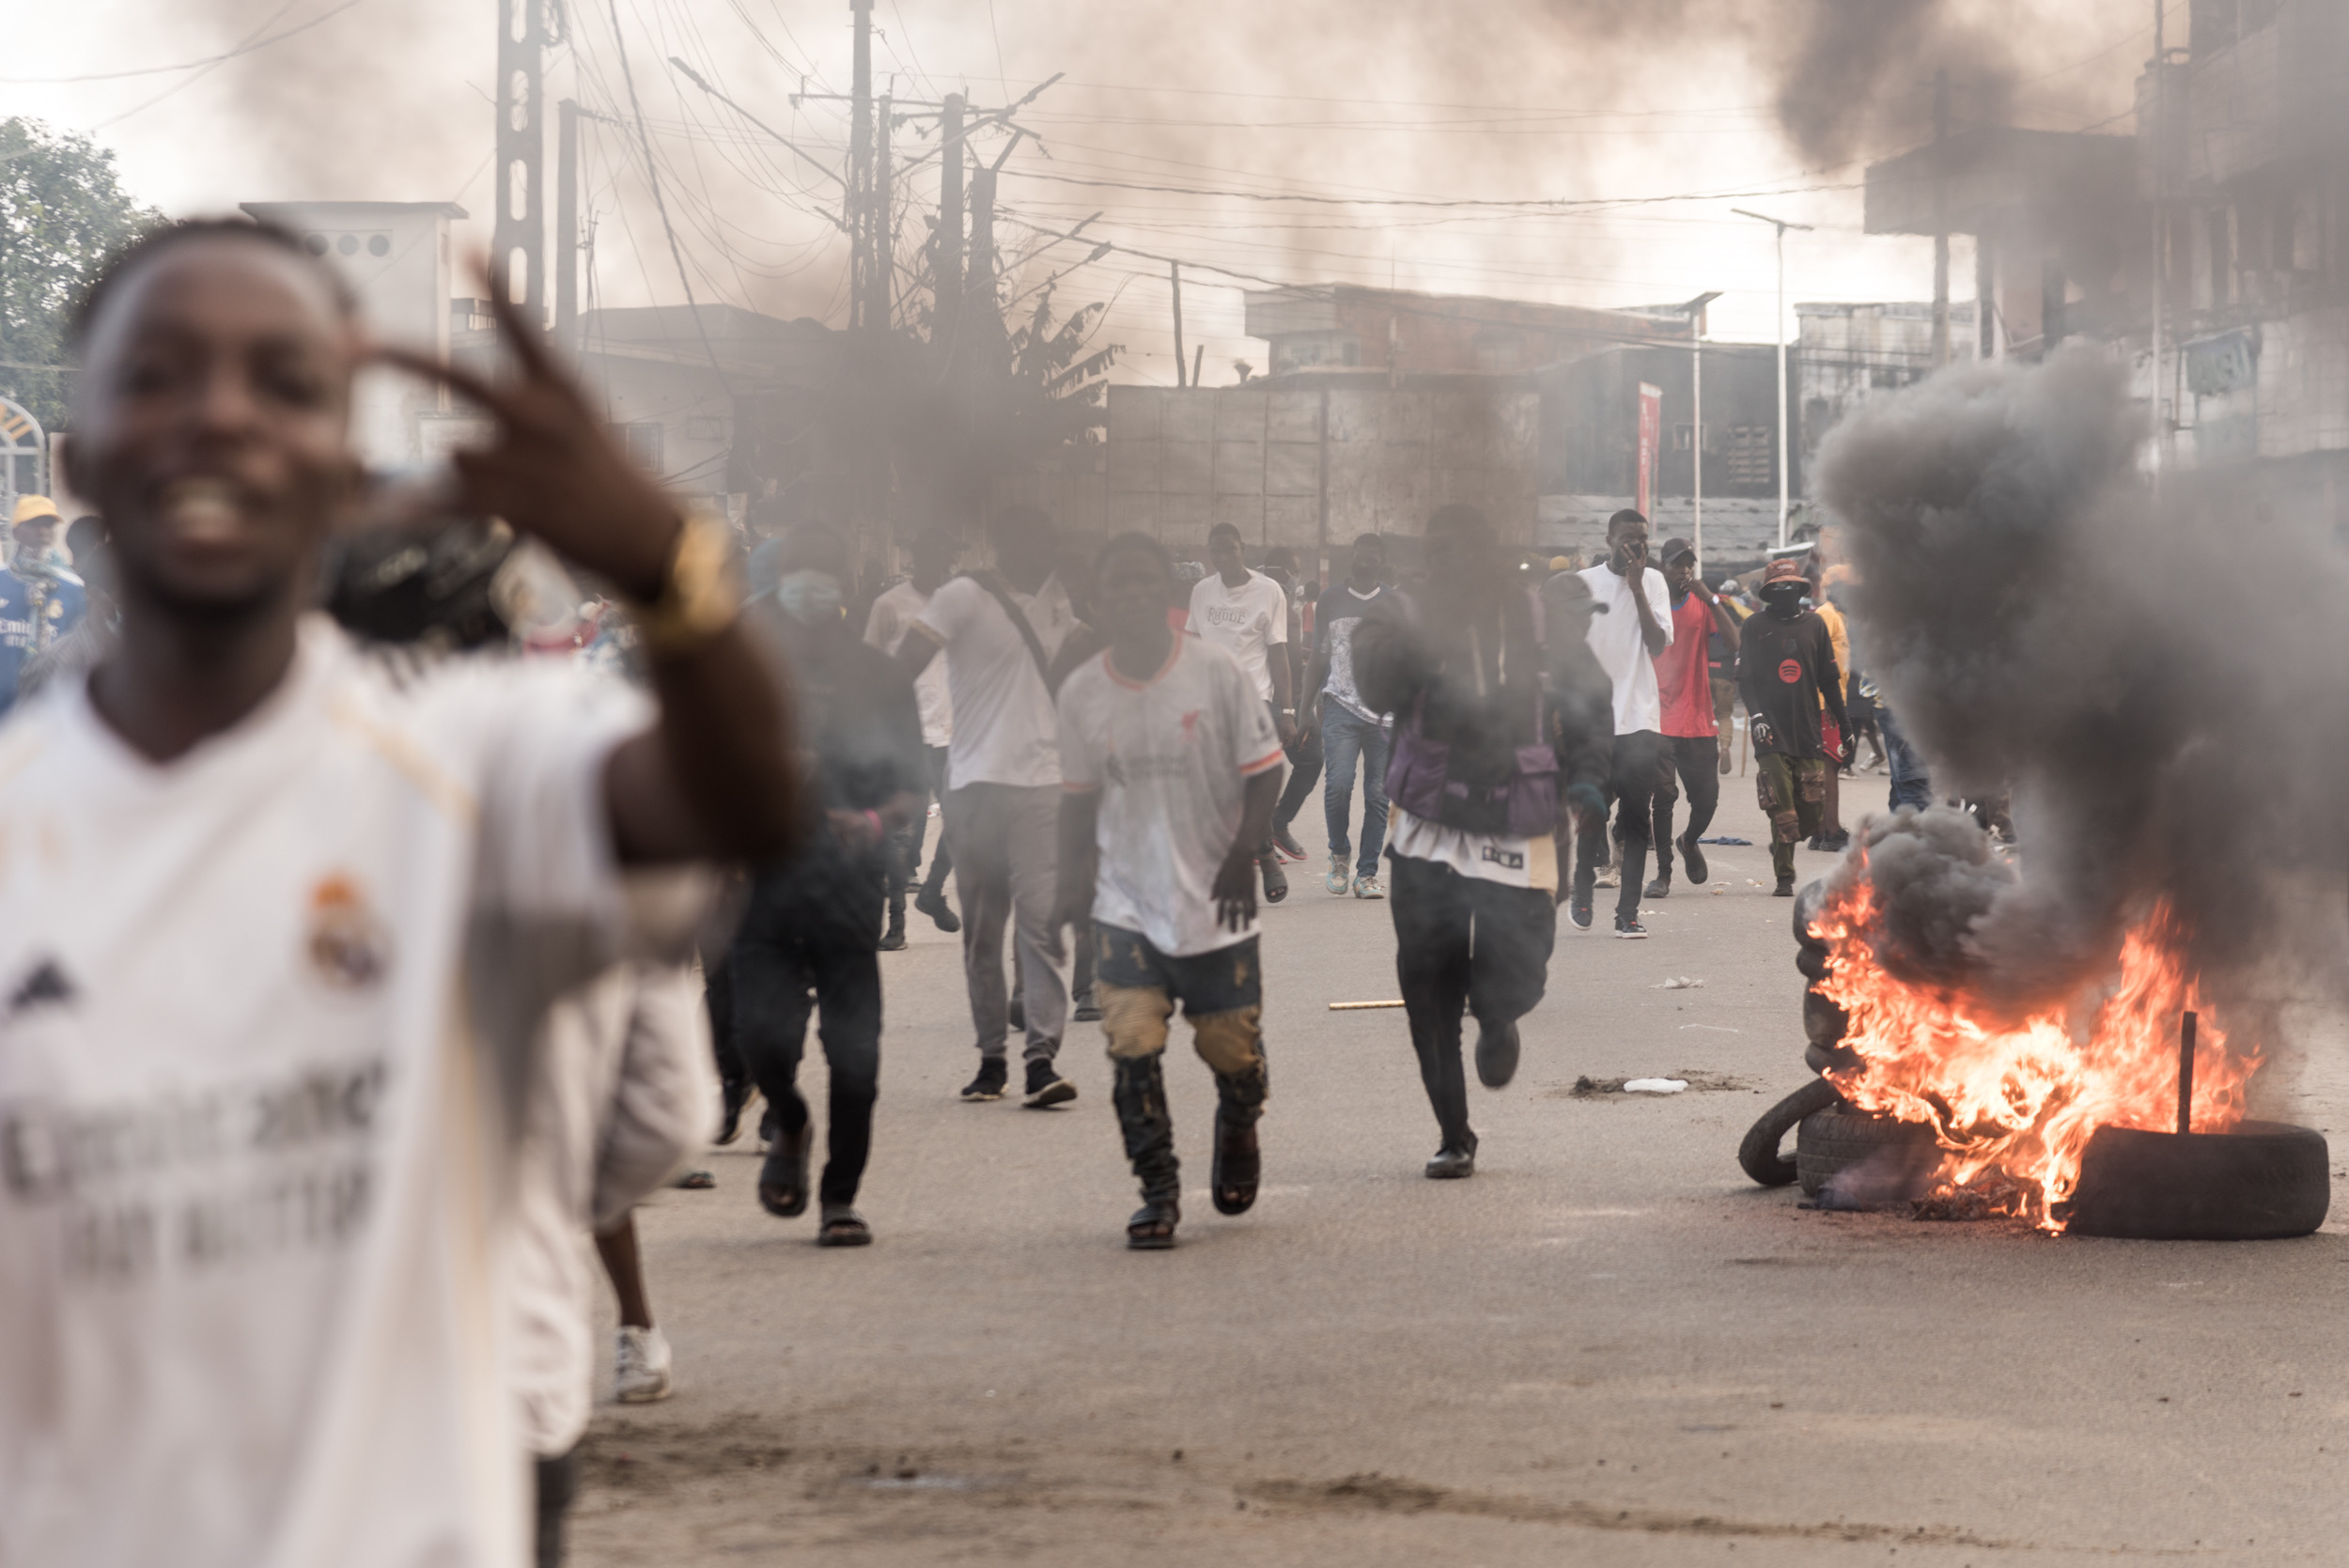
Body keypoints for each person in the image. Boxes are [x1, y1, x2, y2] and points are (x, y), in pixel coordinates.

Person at [0, 219, 797, 1568]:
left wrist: (671, 570)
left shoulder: (475, 763)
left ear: (347, 470)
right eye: (157, 376)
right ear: (75, 464)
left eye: (285, 384)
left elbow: (743, 806)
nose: (218, 418)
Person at [1054, 533, 1283, 1250]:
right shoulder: (1082, 691)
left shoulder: (1217, 673)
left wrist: (1245, 852)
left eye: (1143, 582)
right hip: (1125, 903)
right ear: (1097, 599)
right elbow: (1077, 802)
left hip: (1217, 902)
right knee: (1130, 1046)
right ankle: (1157, 1189)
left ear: (1167, 596)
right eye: (1115, 584)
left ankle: (1239, 1123)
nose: (1130, 595)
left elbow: (1265, 771)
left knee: (1231, 1051)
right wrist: (1074, 890)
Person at [1357, 505, 1593, 1180]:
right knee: (1426, 984)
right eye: (1439, 553)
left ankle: (1498, 1013)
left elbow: (1586, 701)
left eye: (1466, 552)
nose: (1452, 565)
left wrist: (1593, 779)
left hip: (1519, 816)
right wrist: (1426, 634)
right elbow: (1373, 685)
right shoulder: (1401, 614)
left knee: (1516, 969)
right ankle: (1454, 1133)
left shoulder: (1541, 619)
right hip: (1429, 824)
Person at [726, 523, 924, 1243]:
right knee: (761, 1039)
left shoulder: (879, 675)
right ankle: (793, 1121)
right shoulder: (740, 665)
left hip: (846, 887)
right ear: (780, 579)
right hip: (760, 886)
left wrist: (873, 823)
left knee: (856, 1056)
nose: (812, 586)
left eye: (826, 573)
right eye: (800, 572)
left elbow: (912, 788)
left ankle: (840, 1197)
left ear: (846, 586)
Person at [511, 964, 714, 1566]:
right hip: (518, 1359)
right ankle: (639, 1329)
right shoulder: (567, 888)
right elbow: (670, 1120)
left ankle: (639, 1326)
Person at [899, 505, 1088, 1108]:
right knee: (983, 934)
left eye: (1046, 539)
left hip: (1043, 788)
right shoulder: (962, 597)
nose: (1038, 550)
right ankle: (990, 1060)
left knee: (1040, 926)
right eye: (1025, 537)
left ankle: (1040, 1061)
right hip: (974, 785)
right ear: (1002, 545)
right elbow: (902, 666)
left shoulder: (1063, 605)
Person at [1571, 508, 1674, 937]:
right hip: (1593, 720)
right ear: (1611, 539)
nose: (1638, 548)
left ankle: (1627, 912)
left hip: (1639, 719)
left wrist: (1636, 590)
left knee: (1636, 821)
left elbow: (1657, 645)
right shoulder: (1584, 585)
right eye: (1630, 539)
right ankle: (1582, 889)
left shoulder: (1652, 581)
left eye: (1644, 541)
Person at [1186, 521, 1294, 903]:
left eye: (1230, 549)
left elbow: (1279, 652)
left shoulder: (1269, 591)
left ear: (1243, 548)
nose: (1224, 557)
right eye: (1216, 551)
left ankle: (1264, 858)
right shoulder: (1201, 592)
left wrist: (1289, 709)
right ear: (1210, 553)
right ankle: (1255, 854)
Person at [863, 529, 961, 944]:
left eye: (947, 560)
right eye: (933, 558)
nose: (940, 567)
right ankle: (897, 926)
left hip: (954, 729)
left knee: (961, 820)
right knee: (901, 828)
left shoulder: (960, 604)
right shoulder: (889, 605)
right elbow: (869, 664)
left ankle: (933, 891)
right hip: (903, 729)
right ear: (916, 561)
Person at [1296, 532, 1401, 898]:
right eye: (1360, 554)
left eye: (1372, 555)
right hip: (1339, 704)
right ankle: (1339, 853)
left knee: (1376, 794)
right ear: (1352, 558)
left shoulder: (1395, 602)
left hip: (1384, 714)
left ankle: (1366, 874)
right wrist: (1303, 708)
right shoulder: (1330, 600)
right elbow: (1318, 657)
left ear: (1381, 560)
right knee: (1338, 786)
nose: (1365, 560)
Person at [1738, 556, 1849, 895]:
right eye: (1779, 587)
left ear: (1801, 589)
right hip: (1769, 730)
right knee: (1781, 803)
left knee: (1813, 808)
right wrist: (1756, 716)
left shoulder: (1815, 626)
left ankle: (1783, 839)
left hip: (1807, 729)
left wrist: (1846, 726)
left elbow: (1829, 680)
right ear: (1769, 592)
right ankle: (1784, 876)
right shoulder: (1755, 626)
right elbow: (1746, 679)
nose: (1786, 592)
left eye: (1792, 586)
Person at [1642, 537, 1740, 897]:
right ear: (1662, 569)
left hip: (1697, 715)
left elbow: (1734, 643)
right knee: (1663, 797)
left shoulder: (1703, 603)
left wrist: (1711, 597)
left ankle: (1689, 840)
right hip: (1658, 716)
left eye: (1689, 565)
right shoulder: (1649, 603)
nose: (1684, 571)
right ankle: (1663, 874)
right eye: (1676, 565)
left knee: (1707, 799)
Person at [1, 495, 89, 714]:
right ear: (16, 533)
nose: (42, 532)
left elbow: (82, 653)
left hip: (51, 714)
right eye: (34, 525)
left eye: (48, 525)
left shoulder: (73, 589)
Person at [1261, 545, 1319, 863]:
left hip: (1294, 694)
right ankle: (1260, 836)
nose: (1298, 576)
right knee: (1265, 768)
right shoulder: (1267, 595)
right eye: (1295, 569)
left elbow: (1286, 645)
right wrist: (1287, 707)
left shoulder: (1283, 597)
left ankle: (1274, 827)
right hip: (1274, 696)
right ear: (1283, 570)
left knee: (1310, 760)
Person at [1805, 557, 1854, 852]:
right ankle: (1830, 831)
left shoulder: (1839, 616)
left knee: (1826, 767)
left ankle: (1821, 830)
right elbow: (1812, 660)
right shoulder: (1826, 614)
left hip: (1832, 702)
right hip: (1825, 705)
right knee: (1829, 767)